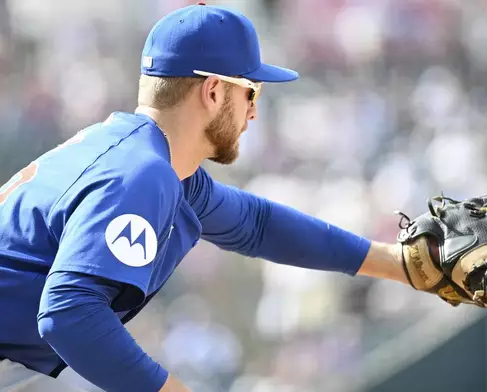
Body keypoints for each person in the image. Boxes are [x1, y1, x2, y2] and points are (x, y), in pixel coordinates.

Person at [0, 4, 413, 391]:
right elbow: (69, 314)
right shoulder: (141, 173)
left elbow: (256, 224)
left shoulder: (142, 156)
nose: (253, 112)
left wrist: (398, 263)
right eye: (251, 92)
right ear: (214, 92)